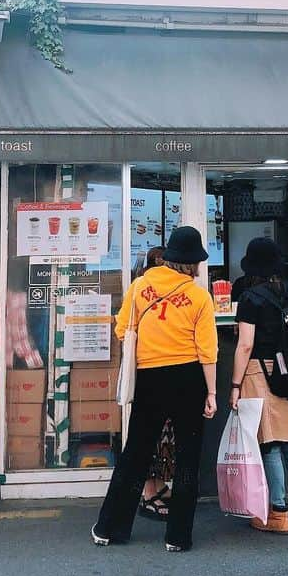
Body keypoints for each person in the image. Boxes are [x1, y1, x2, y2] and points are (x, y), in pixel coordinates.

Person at [92, 226, 218, 552]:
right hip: (188, 377)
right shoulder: (199, 296)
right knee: (188, 458)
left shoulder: (140, 286)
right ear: (193, 263)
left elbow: (122, 330)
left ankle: (110, 528)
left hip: (150, 377)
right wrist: (212, 393)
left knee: (135, 453)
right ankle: (178, 537)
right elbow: (207, 351)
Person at [230, 237, 288, 535]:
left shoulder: (250, 297)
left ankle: (278, 512)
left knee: (269, 442)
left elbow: (245, 345)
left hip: (261, 373)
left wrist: (234, 385)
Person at [135, 247, 175, 522]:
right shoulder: (150, 290)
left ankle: (155, 487)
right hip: (157, 370)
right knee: (157, 433)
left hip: (148, 371)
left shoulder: (140, 288)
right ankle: (150, 492)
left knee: (155, 433)